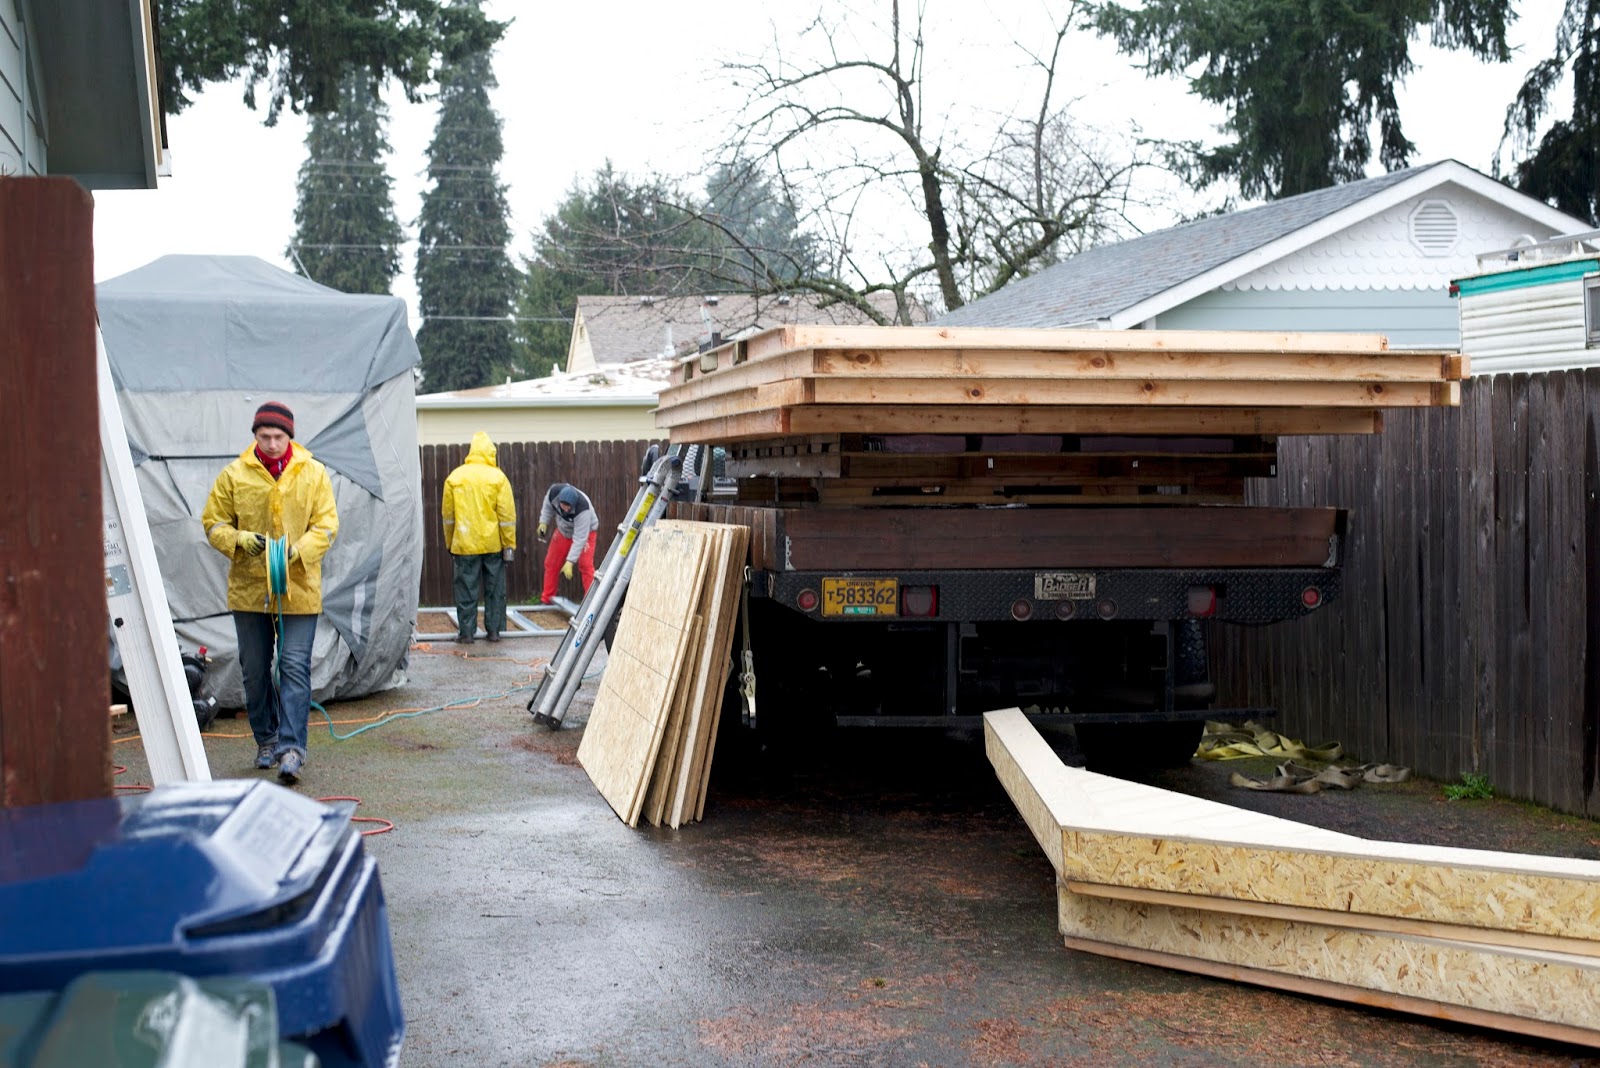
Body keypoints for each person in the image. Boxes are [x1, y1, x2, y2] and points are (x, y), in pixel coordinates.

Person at [201, 401, 338, 785]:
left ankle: (292, 749)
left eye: (279, 437)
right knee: (255, 670)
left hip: (299, 590)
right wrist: (239, 539)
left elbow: (327, 525)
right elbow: (212, 523)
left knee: (294, 665)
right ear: (255, 436)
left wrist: (298, 552)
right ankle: (266, 739)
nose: (273, 443)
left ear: (290, 437)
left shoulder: (314, 474)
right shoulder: (234, 475)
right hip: (249, 592)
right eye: (265, 437)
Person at [441, 431, 518, 643]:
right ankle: (493, 632)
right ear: (490, 453)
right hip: (493, 546)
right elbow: (507, 516)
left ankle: (466, 634)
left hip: (464, 545)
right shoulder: (498, 478)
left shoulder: (455, 477)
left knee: (466, 590)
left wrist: (450, 542)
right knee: (494, 590)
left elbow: (448, 517)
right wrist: (509, 545)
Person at [538, 483, 597, 604]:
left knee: (585, 565)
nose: (565, 508)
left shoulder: (583, 509)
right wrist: (543, 522)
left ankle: (591, 604)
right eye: (563, 505)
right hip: (563, 530)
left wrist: (570, 561)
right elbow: (547, 506)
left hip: (586, 532)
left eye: (568, 506)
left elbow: (580, 538)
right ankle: (547, 599)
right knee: (551, 563)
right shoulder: (554, 492)